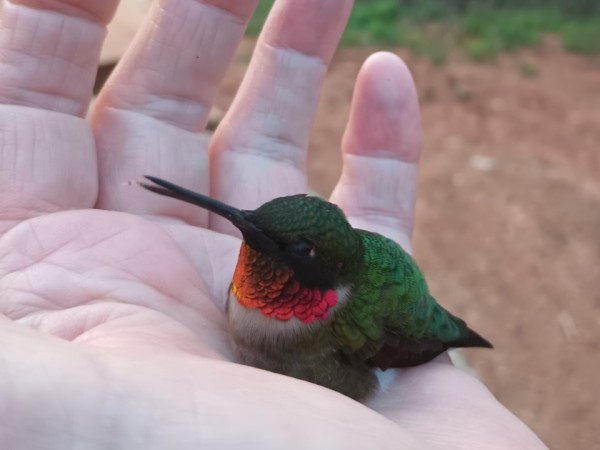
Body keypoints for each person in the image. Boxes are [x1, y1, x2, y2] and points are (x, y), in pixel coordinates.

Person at [0, 0, 547, 448]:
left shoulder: (349, 321)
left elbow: (397, 338)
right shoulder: (264, 280)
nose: (242, 228)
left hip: (398, 321)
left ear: (322, 280)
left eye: (294, 248)